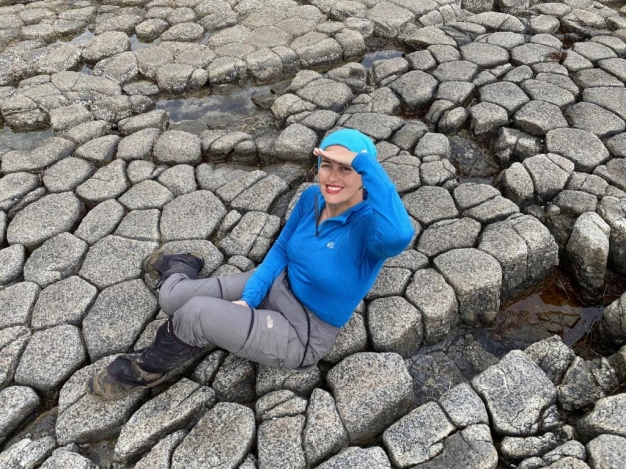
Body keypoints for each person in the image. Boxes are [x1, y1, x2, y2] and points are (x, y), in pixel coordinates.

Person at [87, 128, 414, 400]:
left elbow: (400, 234)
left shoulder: (370, 230)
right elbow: (282, 249)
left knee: (196, 313)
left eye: (346, 168)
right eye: (327, 164)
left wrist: (364, 162)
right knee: (171, 299)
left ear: (365, 175)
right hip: (276, 283)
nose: (333, 177)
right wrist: (251, 298)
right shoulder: (311, 199)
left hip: (304, 332)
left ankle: (148, 368)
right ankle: (182, 266)